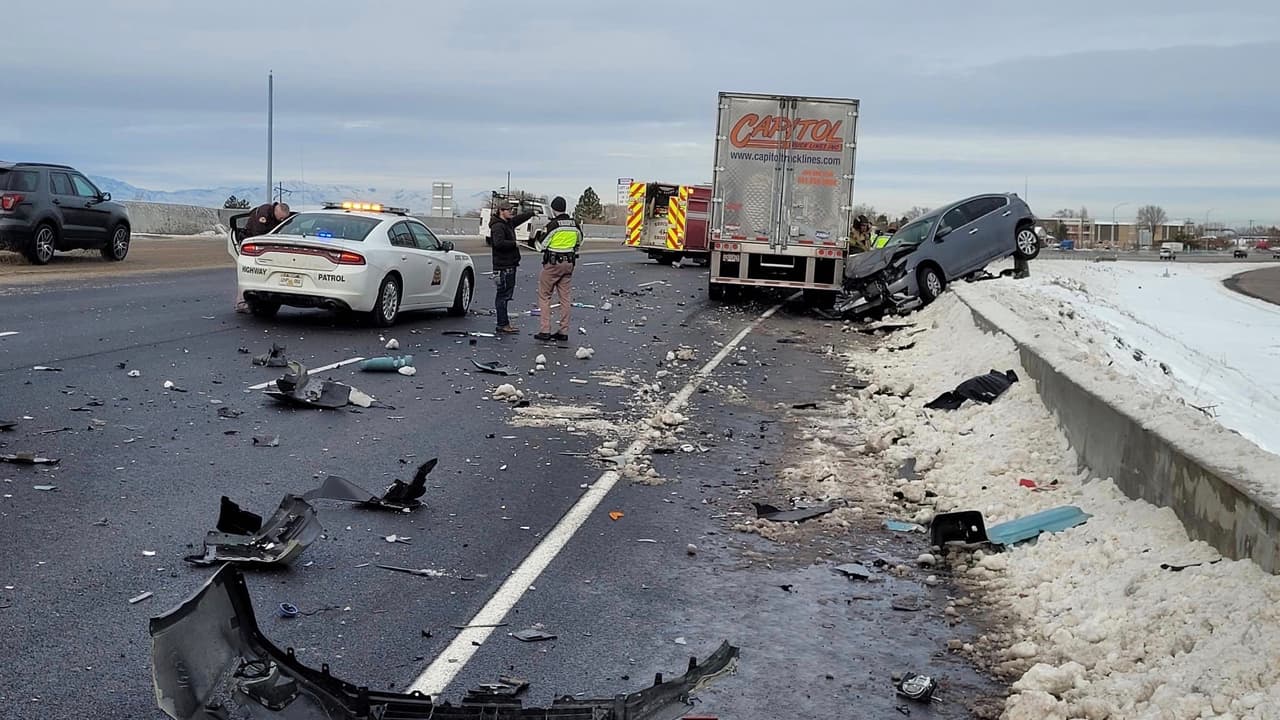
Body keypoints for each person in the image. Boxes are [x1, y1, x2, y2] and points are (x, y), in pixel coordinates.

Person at [533, 196, 584, 342]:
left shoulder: (553, 225)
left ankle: (545, 331)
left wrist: (538, 243)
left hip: (553, 264)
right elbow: (580, 240)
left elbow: (541, 245)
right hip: (569, 264)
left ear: (554, 209)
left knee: (545, 296)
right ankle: (563, 331)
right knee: (565, 299)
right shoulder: (574, 224)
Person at [487, 199, 537, 334]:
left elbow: (518, 219)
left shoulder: (507, 223)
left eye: (512, 210)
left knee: (505, 295)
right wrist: (513, 244)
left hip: (509, 265)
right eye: (508, 210)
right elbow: (498, 243)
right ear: (501, 211)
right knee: (502, 296)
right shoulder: (498, 226)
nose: (511, 212)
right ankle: (502, 324)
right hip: (503, 267)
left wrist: (531, 213)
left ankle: (503, 323)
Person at [233, 201, 290, 313]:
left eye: (284, 219)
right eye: (281, 218)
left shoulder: (275, 216)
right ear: (277, 210)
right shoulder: (264, 213)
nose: (282, 221)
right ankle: (241, 303)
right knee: (246, 273)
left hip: (266, 248)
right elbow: (258, 235)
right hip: (253, 246)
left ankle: (260, 300)